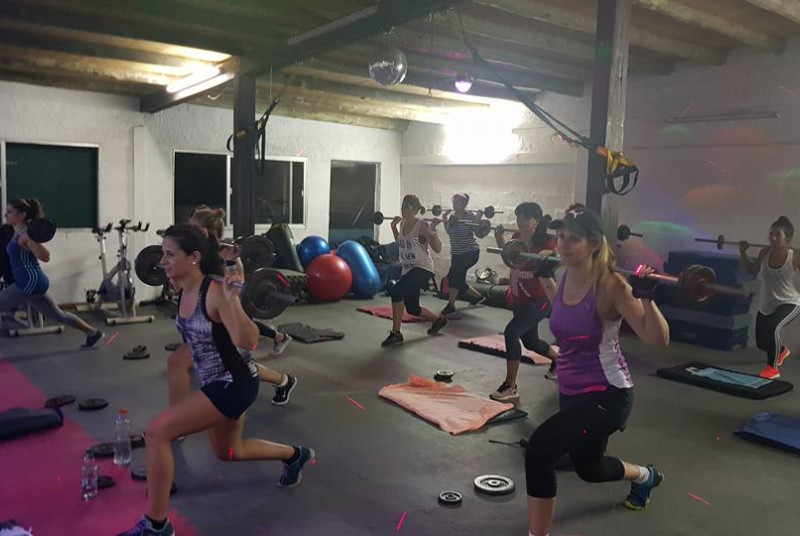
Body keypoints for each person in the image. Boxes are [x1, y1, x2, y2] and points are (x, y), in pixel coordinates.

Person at [118, 224, 313, 536]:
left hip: (233, 383)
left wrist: (233, 299)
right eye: (162, 254)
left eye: (170, 254)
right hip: (215, 381)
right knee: (229, 452)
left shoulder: (216, 292)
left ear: (194, 257)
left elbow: (249, 341)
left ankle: (156, 526)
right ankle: (296, 455)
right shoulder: (181, 288)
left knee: (156, 434)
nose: (162, 261)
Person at [524, 207, 669, 536]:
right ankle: (647, 476)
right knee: (589, 469)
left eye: (572, 239)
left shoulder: (611, 285)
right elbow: (565, 317)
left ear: (593, 243)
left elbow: (657, 339)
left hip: (607, 394)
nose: (562, 245)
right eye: (560, 237)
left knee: (539, 451)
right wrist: (544, 277)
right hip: (571, 393)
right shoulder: (564, 277)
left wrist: (647, 298)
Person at [167, 206, 296, 407]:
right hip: (202, 317)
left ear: (204, 232)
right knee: (221, 363)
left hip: (224, 316)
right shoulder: (195, 255)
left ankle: (283, 380)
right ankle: (283, 380)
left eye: (192, 228)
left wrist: (229, 268)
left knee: (238, 364)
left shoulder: (225, 257)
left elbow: (239, 289)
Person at [0, 199, 103, 348]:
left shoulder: (26, 234)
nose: (5, 215)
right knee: (58, 315)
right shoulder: (15, 232)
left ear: (22, 215)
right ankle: (93, 333)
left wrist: (32, 244)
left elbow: (45, 256)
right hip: (34, 282)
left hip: (29, 283)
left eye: (9, 212)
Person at [491, 203, 560, 400]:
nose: (520, 220)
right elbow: (510, 260)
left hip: (540, 299)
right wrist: (499, 240)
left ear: (536, 221)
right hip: (519, 298)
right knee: (531, 342)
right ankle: (559, 361)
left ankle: (510, 386)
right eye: (518, 216)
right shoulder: (516, 239)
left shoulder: (547, 242)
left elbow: (559, 259)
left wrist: (551, 255)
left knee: (511, 332)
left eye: (525, 217)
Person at [381, 194, 448, 347]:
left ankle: (396, 333)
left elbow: (437, 249)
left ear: (416, 210)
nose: (404, 210)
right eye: (403, 206)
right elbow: (401, 243)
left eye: (408, 207)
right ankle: (438, 320)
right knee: (412, 309)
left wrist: (433, 230)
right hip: (408, 269)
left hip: (422, 268)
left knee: (397, 290)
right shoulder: (402, 224)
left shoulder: (422, 226)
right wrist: (393, 227)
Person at [739, 216, 800, 379]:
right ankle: (781, 350)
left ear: (787, 238)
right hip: (767, 304)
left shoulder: (795, 257)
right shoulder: (764, 253)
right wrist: (743, 252)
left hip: (790, 302)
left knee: (773, 328)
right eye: (771, 234)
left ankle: (772, 368)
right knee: (762, 343)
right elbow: (752, 270)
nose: (772, 238)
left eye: (777, 235)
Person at [441, 193, 485, 315]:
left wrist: (478, 218)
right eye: (453, 202)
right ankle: (478, 297)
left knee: (455, 278)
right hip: (457, 254)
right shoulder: (453, 217)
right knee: (456, 280)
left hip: (470, 253)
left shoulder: (470, 216)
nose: (454, 205)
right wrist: (444, 217)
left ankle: (451, 305)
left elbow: (479, 234)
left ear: (464, 204)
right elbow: (449, 231)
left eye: (457, 202)